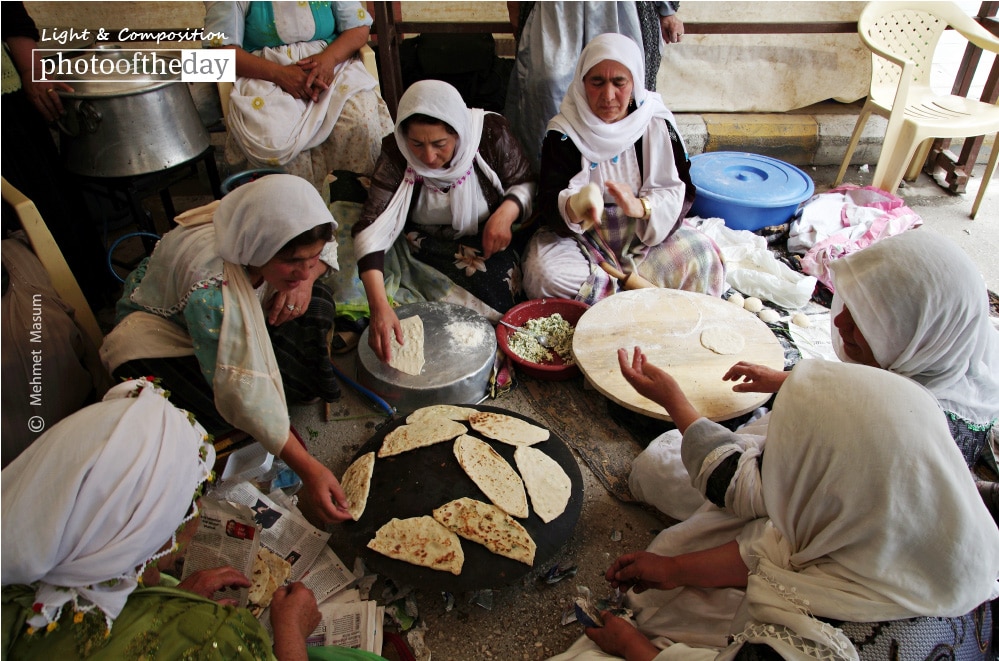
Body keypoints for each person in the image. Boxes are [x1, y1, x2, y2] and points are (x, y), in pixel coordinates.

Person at [548, 354, 999, 661]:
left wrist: (635, 650)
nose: (765, 462)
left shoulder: (815, 645)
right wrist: (676, 570)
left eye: (777, 463)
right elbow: (774, 547)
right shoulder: (921, 524)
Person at [631, 229, 999, 523]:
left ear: (913, 338)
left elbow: (740, 489)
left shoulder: (878, 428)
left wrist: (675, 402)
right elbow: (855, 390)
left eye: (865, 324)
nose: (838, 322)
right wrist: (787, 380)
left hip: (802, 524)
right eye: (849, 306)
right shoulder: (958, 363)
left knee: (658, 468)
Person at [0, 377, 333, 660]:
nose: (198, 515)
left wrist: (169, 601)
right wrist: (291, 632)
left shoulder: (18, 585)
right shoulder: (211, 638)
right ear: (142, 534)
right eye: (189, 501)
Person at [100, 174, 351, 526]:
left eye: (309, 260)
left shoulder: (261, 223)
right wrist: (309, 468)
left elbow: (323, 250)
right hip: (163, 339)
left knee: (318, 303)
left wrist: (306, 280)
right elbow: (241, 389)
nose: (302, 269)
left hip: (224, 313)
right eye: (292, 262)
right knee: (218, 413)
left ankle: (279, 402)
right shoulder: (212, 292)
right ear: (259, 248)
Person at [521, 33, 723, 304]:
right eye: (597, 82)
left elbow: (680, 191)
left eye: (619, 82)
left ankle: (615, 298)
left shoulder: (656, 123)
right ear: (582, 82)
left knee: (702, 258)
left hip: (645, 237)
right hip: (583, 241)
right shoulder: (564, 131)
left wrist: (641, 207)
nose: (608, 95)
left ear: (635, 83)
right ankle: (638, 302)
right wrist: (576, 205)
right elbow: (547, 201)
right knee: (542, 273)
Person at [345, 79, 536, 362]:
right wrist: (379, 307)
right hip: (415, 240)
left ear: (458, 132)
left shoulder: (491, 134)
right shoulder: (397, 152)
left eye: (440, 144)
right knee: (349, 250)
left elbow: (526, 183)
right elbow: (372, 227)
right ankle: (383, 313)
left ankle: (400, 309)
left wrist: (506, 212)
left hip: (480, 243)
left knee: (499, 293)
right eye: (417, 144)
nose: (429, 156)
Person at [203, 1, 394, 195]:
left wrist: (328, 60)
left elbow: (359, 27)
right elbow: (219, 51)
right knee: (273, 139)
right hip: (264, 74)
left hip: (332, 66)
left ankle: (358, 207)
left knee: (360, 122)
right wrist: (279, 74)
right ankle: (299, 217)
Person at [1, 1, 117, 309]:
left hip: (7, 111)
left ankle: (78, 306)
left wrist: (31, 71)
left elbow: (11, 14)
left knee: (41, 202)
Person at [506, 1, 684, 170]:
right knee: (549, 86)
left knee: (621, 86)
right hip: (556, 11)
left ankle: (625, 175)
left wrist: (667, 10)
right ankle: (550, 179)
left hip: (621, 11)